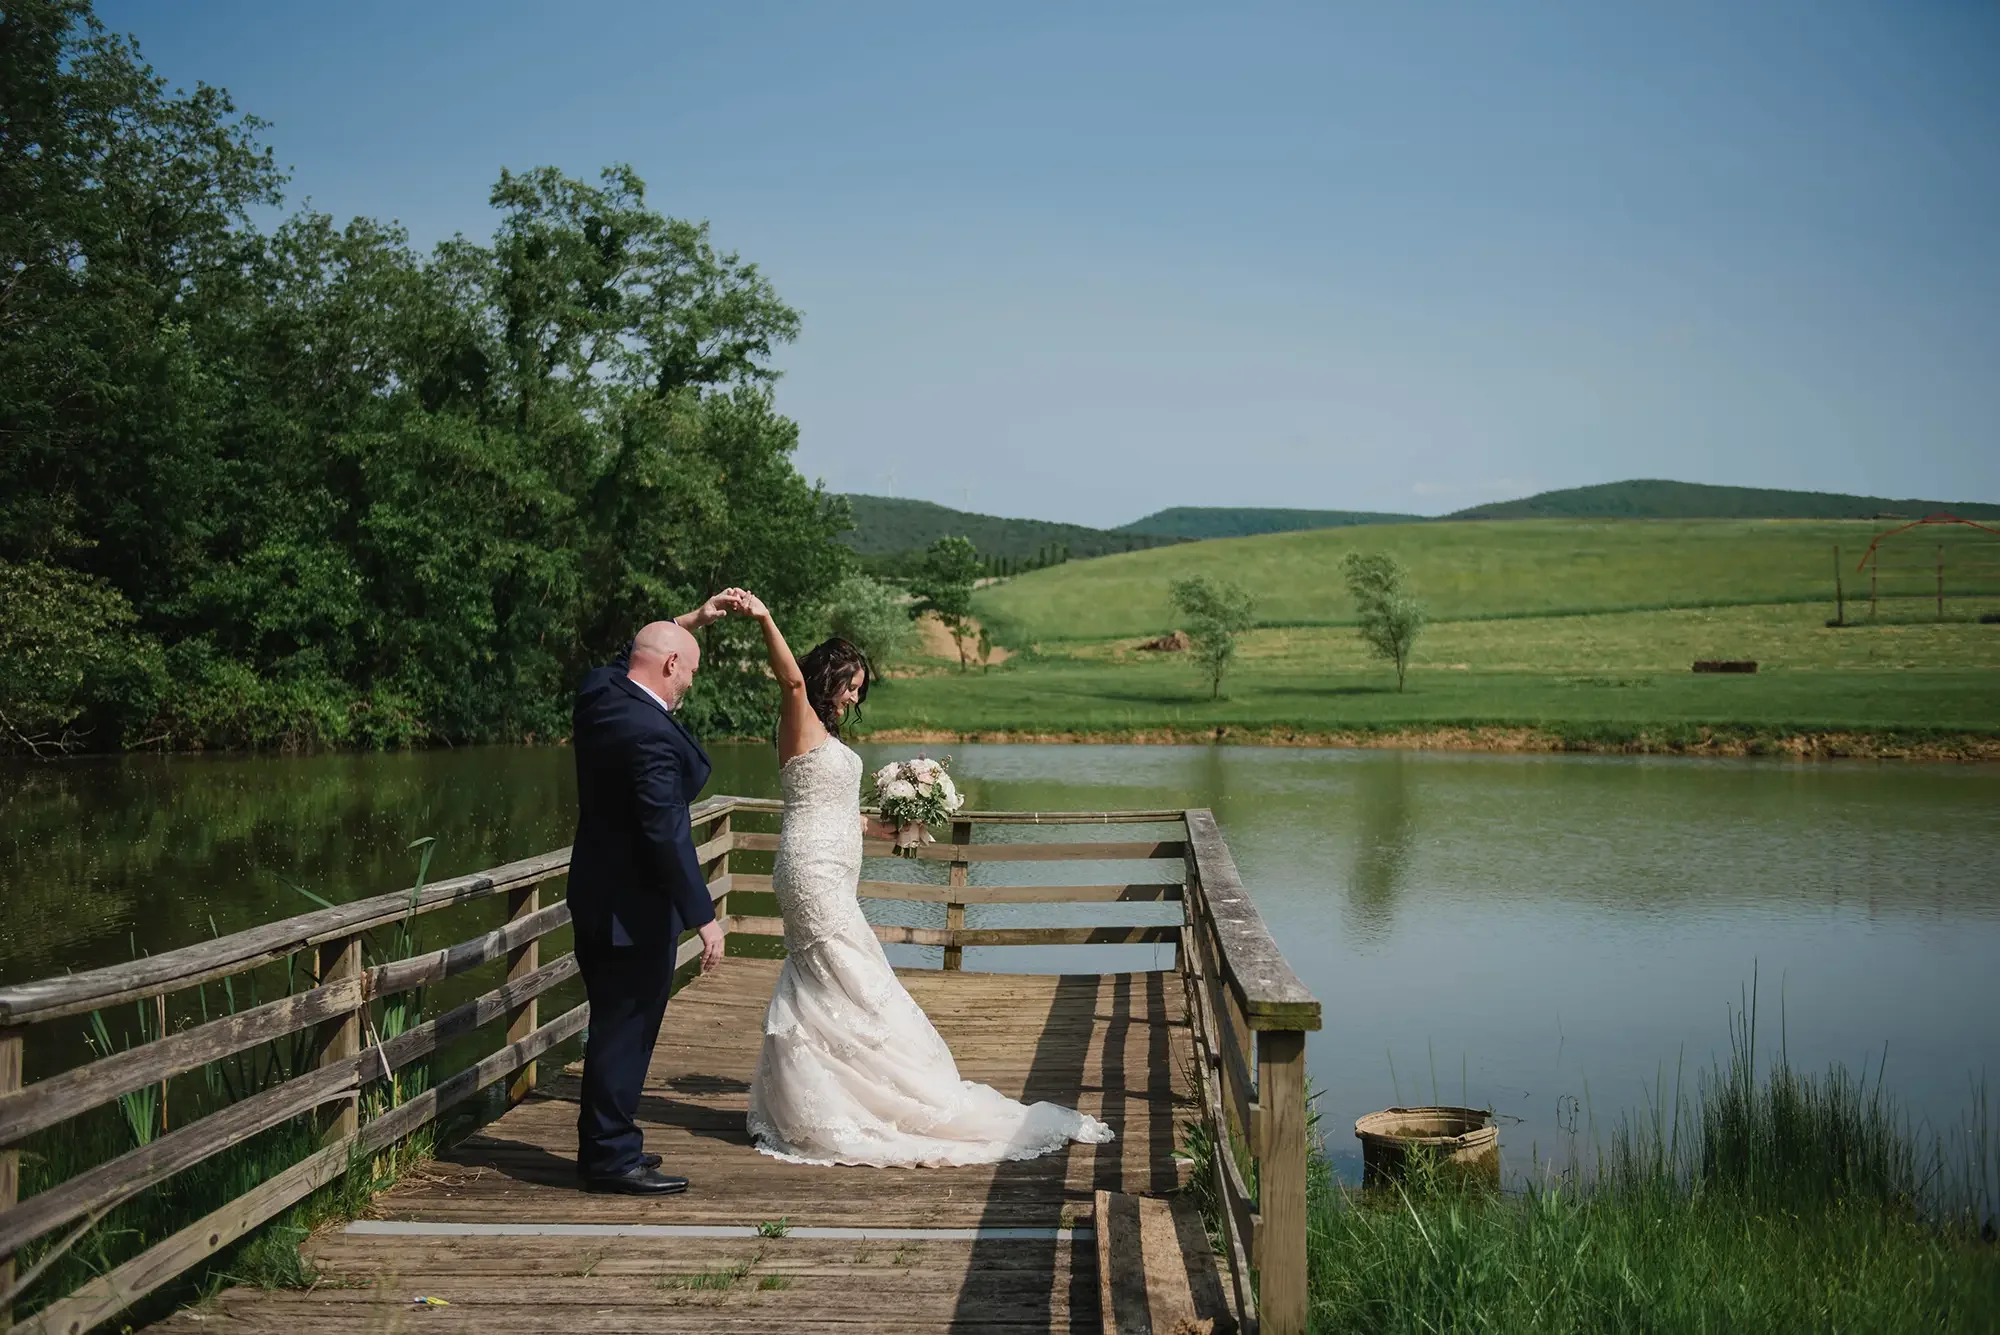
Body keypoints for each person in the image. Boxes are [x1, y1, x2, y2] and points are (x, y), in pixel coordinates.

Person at [728, 589, 1115, 1166]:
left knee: (828, 981)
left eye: (860, 688)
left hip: (832, 866)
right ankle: (857, 1102)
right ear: (824, 675)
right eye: (849, 683)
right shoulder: (798, 714)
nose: (854, 695)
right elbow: (788, 681)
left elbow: (842, 814)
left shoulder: (827, 738)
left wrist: (891, 828)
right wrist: (764, 617)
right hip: (810, 873)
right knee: (854, 974)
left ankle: (831, 1095)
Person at [567, 594, 738, 1195]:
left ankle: (615, 1140)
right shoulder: (650, 736)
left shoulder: (598, 695)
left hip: (593, 896)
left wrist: (687, 623)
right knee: (626, 1031)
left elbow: (625, 657)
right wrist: (704, 917)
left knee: (615, 1026)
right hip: (631, 911)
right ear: (669, 666)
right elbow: (667, 833)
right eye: (688, 669)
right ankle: (609, 1158)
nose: (689, 683)